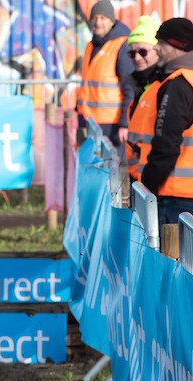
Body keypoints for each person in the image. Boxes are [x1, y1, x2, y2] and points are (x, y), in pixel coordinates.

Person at [128, 18, 193, 224]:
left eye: (162, 43)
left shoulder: (176, 85)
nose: (157, 48)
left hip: (177, 196)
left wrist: (147, 185)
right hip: (183, 194)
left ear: (178, 46)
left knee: (171, 255)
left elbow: (166, 143)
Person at [76, 0, 134, 155]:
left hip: (111, 125)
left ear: (111, 20)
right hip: (90, 122)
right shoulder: (90, 46)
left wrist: (125, 123)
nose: (98, 22)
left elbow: (129, 88)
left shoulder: (122, 45)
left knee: (112, 171)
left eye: (103, 18)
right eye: (95, 18)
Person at [124, 15, 161, 181]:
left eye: (143, 51)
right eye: (132, 53)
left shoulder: (164, 85)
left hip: (154, 179)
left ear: (158, 50)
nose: (137, 58)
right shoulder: (138, 84)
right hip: (138, 177)